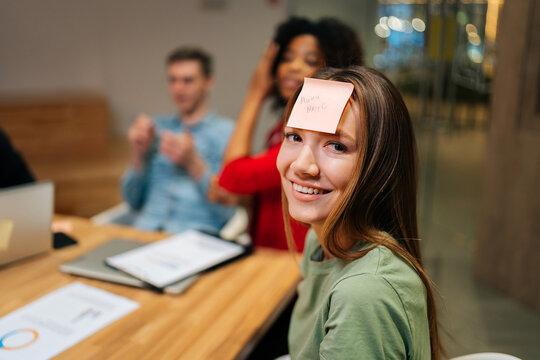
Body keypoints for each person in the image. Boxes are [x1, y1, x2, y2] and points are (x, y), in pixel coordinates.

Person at [277, 67, 442, 359]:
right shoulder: (321, 241)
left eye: (337, 146)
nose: (302, 165)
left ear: (379, 168)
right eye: (294, 137)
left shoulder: (364, 293)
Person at [210, 17, 363, 251]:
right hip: (274, 254)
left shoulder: (316, 131)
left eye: (309, 60)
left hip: (297, 261)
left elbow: (232, 177)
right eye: (287, 57)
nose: (294, 66)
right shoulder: (285, 125)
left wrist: (254, 95)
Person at [121, 47, 235, 233]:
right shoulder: (156, 128)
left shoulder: (229, 134)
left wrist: (193, 164)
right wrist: (138, 154)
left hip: (195, 237)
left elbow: (229, 212)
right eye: (173, 80)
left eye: (188, 80)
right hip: (145, 230)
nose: (178, 88)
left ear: (208, 82)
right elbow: (132, 201)